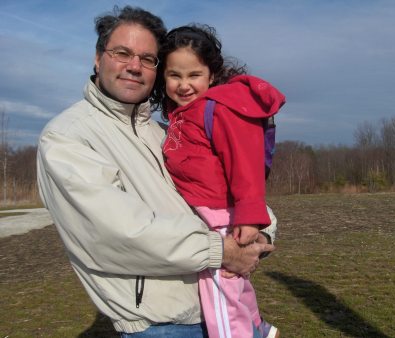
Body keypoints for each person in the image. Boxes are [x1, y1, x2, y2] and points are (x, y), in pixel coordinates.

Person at [36, 6, 274, 338]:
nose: (134, 66)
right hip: (161, 326)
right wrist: (224, 251)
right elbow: (121, 233)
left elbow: (217, 190)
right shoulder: (67, 137)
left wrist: (262, 232)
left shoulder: (163, 133)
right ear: (97, 58)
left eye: (147, 59)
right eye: (122, 53)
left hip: (213, 304)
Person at [156, 24, 285, 338]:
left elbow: (246, 165)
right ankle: (258, 328)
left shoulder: (218, 109)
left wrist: (251, 218)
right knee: (234, 284)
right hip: (208, 212)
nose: (184, 85)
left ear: (211, 74)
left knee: (220, 295)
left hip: (219, 216)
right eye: (175, 75)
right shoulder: (183, 113)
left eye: (194, 75)